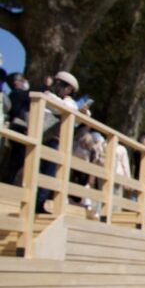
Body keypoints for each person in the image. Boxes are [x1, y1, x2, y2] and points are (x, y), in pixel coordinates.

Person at [36, 71, 80, 213]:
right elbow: (64, 108)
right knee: (43, 171)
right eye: (68, 89)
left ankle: (40, 202)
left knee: (50, 173)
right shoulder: (48, 96)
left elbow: (73, 113)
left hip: (54, 140)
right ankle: (36, 202)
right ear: (60, 85)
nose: (68, 92)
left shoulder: (64, 101)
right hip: (45, 138)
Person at [0, 73, 30, 185]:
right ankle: (8, 184)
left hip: (17, 129)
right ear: (16, 83)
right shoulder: (17, 94)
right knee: (16, 161)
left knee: (16, 160)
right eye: (22, 80)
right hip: (18, 128)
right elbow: (30, 97)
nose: (24, 82)